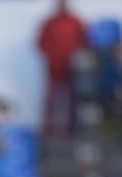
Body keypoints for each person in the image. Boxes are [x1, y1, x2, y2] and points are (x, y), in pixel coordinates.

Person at [37, 0, 88, 135]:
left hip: (71, 66)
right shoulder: (49, 22)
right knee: (51, 98)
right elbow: (40, 42)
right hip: (54, 66)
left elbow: (84, 42)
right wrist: (50, 56)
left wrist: (75, 57)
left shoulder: (76, 21)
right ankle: (49, 127)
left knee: (73, 97)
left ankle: (72, 128)